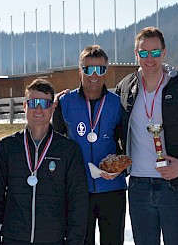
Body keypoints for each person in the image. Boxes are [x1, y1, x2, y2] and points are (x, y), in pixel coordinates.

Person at [115, 26, 178, 245]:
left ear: (164, 52)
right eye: (144, 53)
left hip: (175, 185)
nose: (150, 58)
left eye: (156, 52)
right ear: (136, 54)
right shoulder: (125, 88)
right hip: (138, 185)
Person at [0, 78, 89, 245]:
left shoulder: (68, 150)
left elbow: (78, 202)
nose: (39, 109)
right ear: (24, 106)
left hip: (53, 240)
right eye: (33, 103)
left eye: (45, 103)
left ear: (53, 107)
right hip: (13, 239)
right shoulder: (6, 147)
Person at [52, 45, 127, 245]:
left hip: (112, 189)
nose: (94, 75)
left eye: (100, 69)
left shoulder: (116, 103)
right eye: (88, 69)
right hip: (77, 191)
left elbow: (126, 144)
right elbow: (55, 146)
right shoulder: (64, 103)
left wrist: (120, 169)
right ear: (80, 71)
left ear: (106, 71)